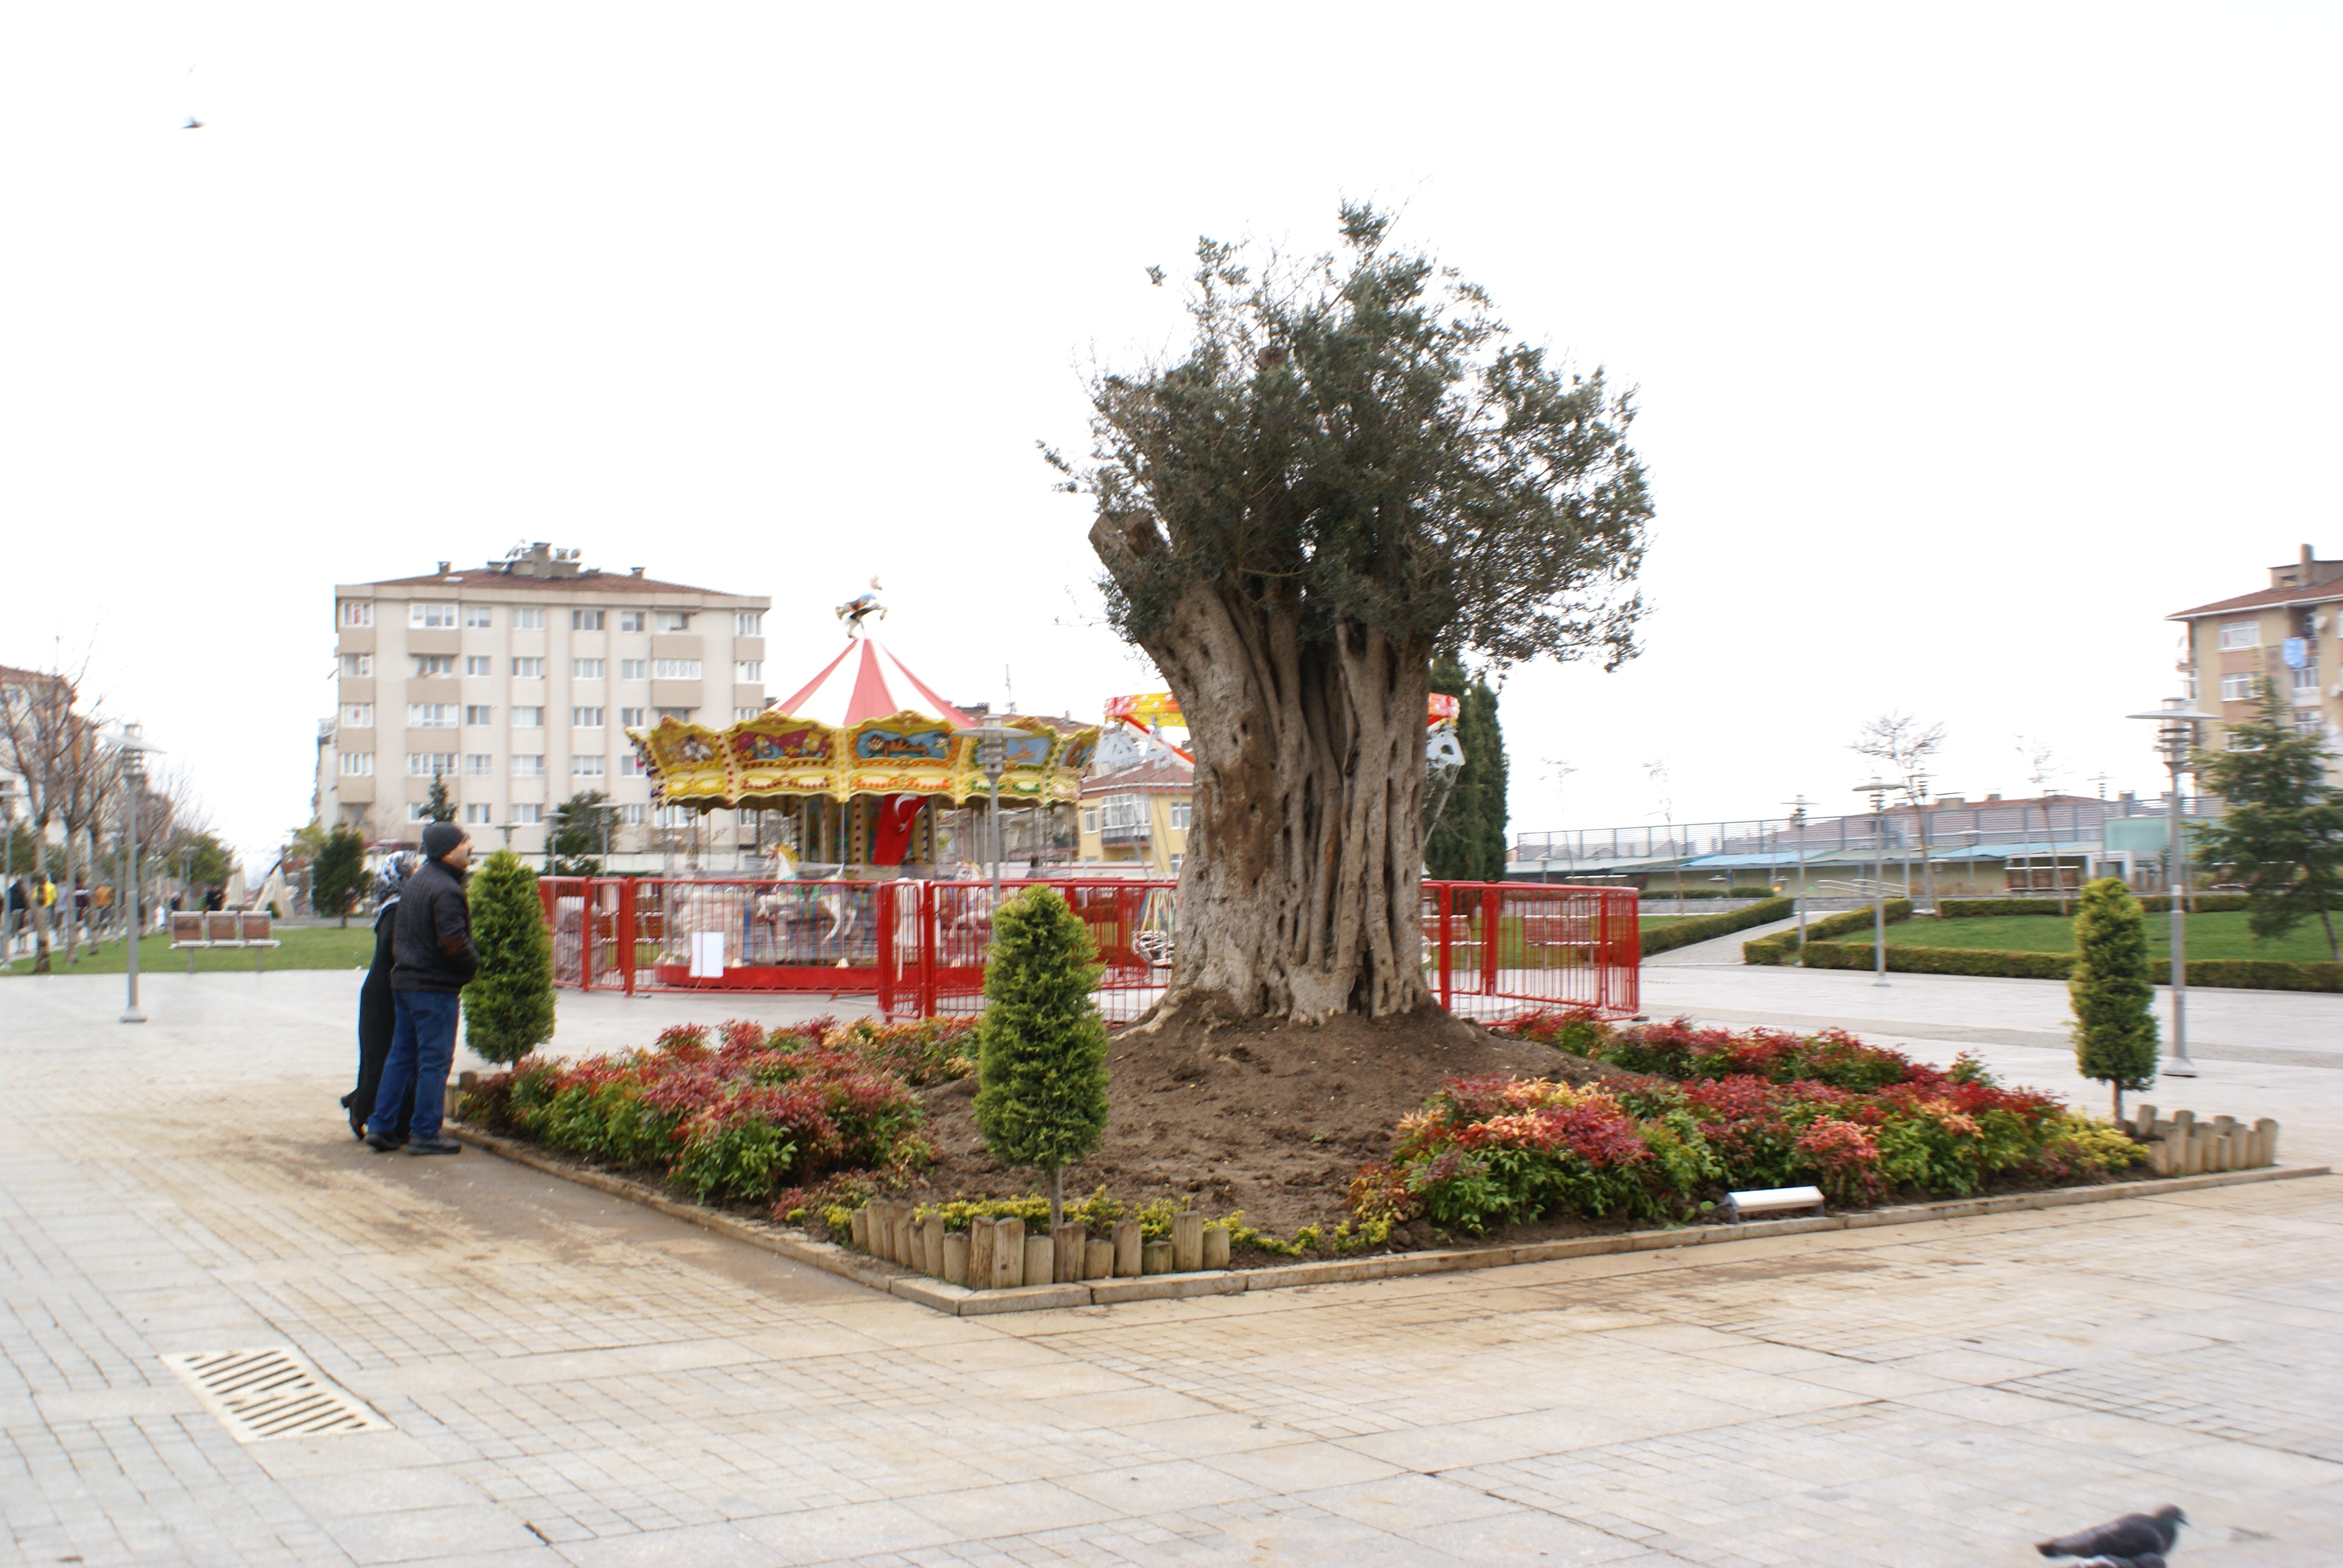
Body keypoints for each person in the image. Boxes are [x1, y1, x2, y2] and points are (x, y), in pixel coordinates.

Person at [365, 823, 476, 1156]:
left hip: (406, 984)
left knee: (401, 1056)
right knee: (434, 1060)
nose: (470, 847)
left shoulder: (417, 883)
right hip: (433, 989)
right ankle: (426, 1132)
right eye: (464, 843)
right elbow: (453, 942)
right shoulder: (446, 889)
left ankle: (381, 1127)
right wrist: (474, 965)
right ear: (447, 850)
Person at [342, 852, 421, 1142]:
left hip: (384, 991)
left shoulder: (393, 907)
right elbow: (393, 948)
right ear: (401, 877)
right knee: (384, 1059)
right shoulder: (397, 909)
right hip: (385, 995)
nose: (419, 873)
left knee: (386, 1057)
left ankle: (367, 1108)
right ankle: (364, 1112)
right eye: (413, 869)